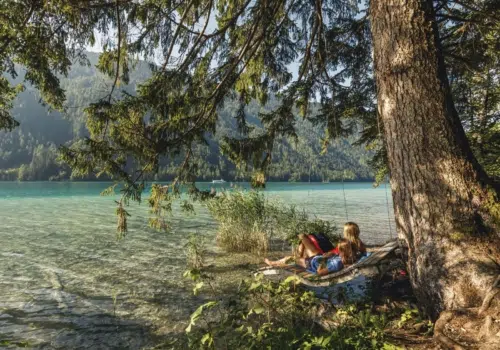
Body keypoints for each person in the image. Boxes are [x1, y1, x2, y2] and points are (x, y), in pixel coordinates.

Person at [264, 237, 357, 276]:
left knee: (290, 259)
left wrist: (324, 259)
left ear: (341, 251)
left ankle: (273, 264)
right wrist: (331, 254)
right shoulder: (351, 257)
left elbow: (319, 272)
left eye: (338, 249)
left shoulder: (336, 263)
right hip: (317, 258)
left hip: (311, 263)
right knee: (304, 242)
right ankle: (297, 256)